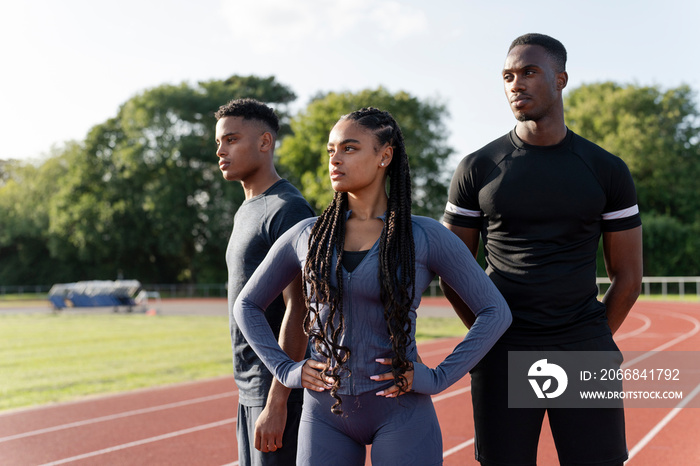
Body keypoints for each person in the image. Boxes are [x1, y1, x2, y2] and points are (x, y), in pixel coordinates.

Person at [233, 107, 512, 465]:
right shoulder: (307, 235)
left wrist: (438, 377)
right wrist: (286, 370)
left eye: (349, 148)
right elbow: (247, 305)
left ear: (385, 155)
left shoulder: (424, 236)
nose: (335, 158)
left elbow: (495, 312)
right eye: (331, 149)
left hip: (402, 413)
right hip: (324, 416)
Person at [442, 33, 643, 465]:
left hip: (582, 345)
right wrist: (488, 332)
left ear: (561, 79)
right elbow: (452, 270)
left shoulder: (606, 169)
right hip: (504, 348)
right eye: (508, 76)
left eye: (529, 72)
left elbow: (628, 277)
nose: (516, 84)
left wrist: (591, 337)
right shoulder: (477, 167)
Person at [215, 98, 315, 466]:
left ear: (264, 141)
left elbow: (302, 307)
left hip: (275, 387)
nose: (221, 151)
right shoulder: (248, 209)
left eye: (231, 139)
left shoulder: (286, 208)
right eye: (219, 143)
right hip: (248, 385)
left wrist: (277, 401)